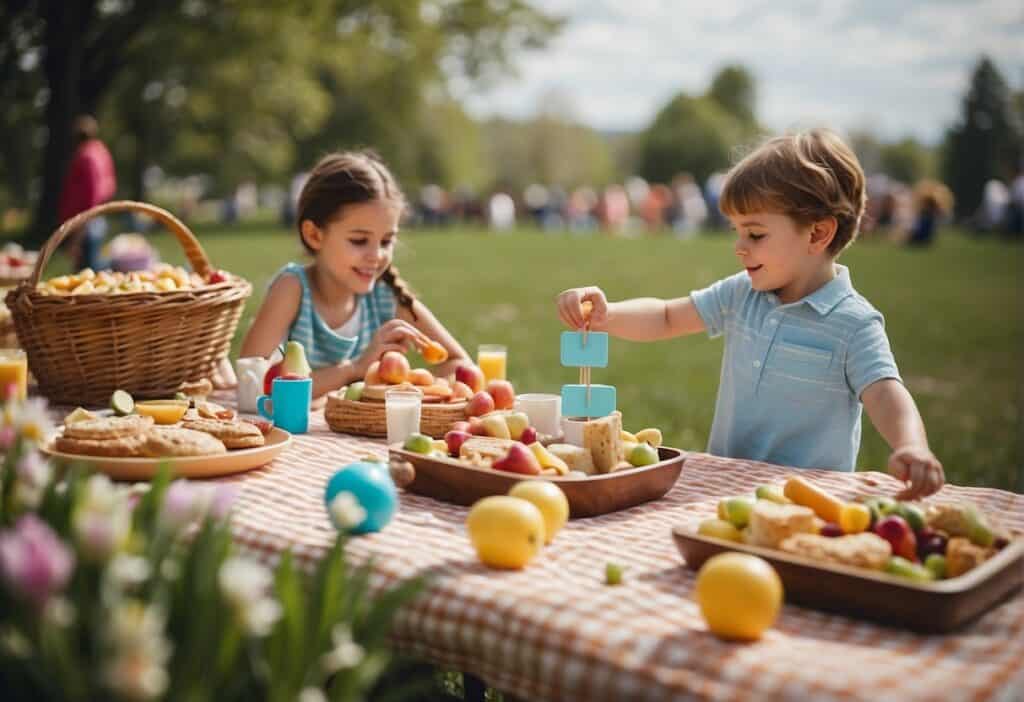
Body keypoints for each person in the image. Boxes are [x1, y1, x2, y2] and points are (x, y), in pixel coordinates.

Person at [556, 129, 943, 499]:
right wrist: (607, 315)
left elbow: (886, 394)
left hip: (804, 504)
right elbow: (668, 317)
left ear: (817, 234)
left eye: (755, 234)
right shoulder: (742, 294)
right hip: (723, 491)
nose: (739, 247)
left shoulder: (854, 323)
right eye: (737, 231)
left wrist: (913, 446)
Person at [240, 151, 470, 399]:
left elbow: (460, 364)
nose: (376, 255)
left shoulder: (385, 298)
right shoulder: (293, 289)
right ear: (314, 235)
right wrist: (354, 370)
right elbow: (251, 384)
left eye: (386, 241)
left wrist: (414, 388)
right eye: (359, 240)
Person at [58, 115, 117, 271]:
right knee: (91, 266)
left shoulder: (86, 157)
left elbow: (89, 198)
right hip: (98, 217)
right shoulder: (100, 151)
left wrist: (76, 238)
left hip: (87, 221)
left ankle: (119, 267)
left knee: (86, 271)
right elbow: (110, 184)